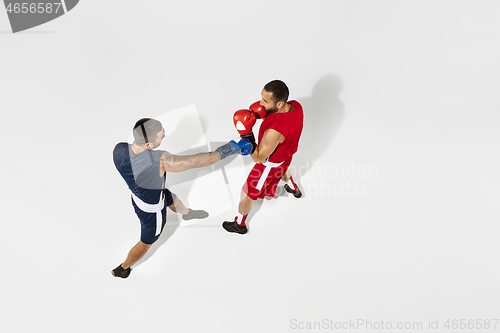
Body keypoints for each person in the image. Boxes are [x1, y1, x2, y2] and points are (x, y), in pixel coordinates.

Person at [112, 118, 252, 278]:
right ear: (148, 144)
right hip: (151, 211)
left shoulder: (118, 148)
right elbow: (196, 162)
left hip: (140, 195)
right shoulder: (158, 160)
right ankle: (123, 268)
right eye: (160, 134)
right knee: (146, 242)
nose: (164, 134)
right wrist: (231, 148)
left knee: (169, 196)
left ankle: (187, 214)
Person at [223, 80, 303, 234]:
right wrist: (266, 111)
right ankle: (294, 188)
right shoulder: (296, 106)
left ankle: (239, 224)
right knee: (283, 168)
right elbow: (285, 121)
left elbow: (258, 158)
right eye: (262, 97)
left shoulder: (274, 132)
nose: (261, 103)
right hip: (286, 155)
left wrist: (247, 135)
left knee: (246, 194)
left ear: (279, 104)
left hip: (269, 165)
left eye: (265, 101)